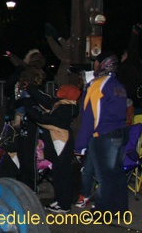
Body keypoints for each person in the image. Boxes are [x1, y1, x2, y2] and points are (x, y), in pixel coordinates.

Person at [74, 49, 128, 213]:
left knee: (104, 177)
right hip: (120, 133)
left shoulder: (98, 86)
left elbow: (90, 117)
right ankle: (119, 210)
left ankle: (103, 212)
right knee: (117, 176)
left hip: (104, 136)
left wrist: (80, 146)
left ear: (102, 64)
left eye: (96, 62)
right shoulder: (118, 86)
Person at [21, 83, 80, 213]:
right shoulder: (64, 105)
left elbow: (42, 119)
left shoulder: (64, 110)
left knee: (62, 177)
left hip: (61, 146)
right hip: (59, 145)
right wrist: (31, 88)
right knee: (59, 175)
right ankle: (59, 201)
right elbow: (46, 101)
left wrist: (29, 108)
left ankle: (64, 205)